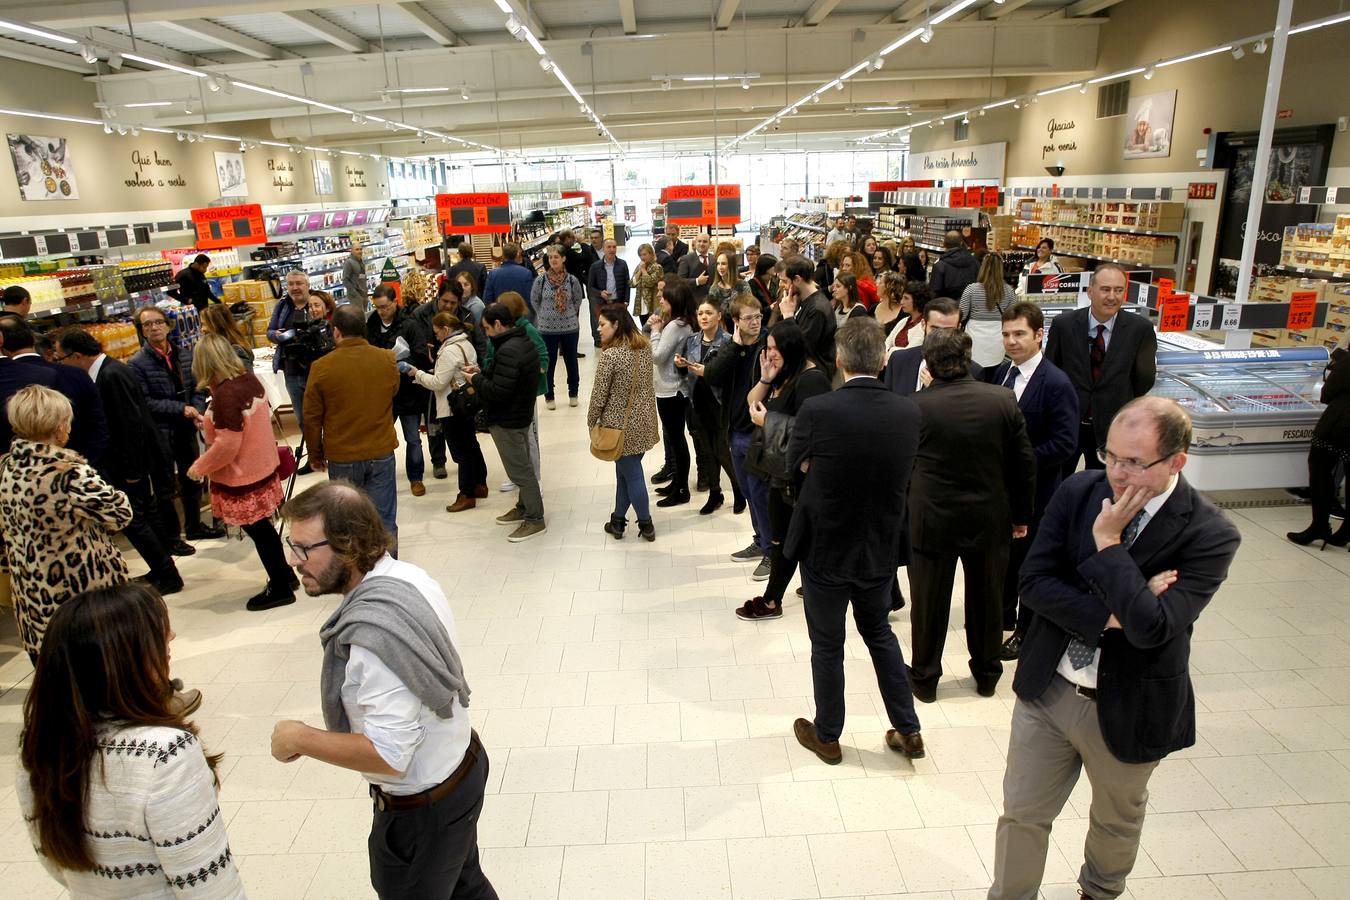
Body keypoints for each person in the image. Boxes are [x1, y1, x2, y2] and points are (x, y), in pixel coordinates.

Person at [989, 397, 1241, 900]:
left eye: (1134, 462)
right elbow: (1033, 583)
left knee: (1115, 821)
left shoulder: (1210, 533)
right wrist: (1115, 612)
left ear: (1176, 461)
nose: (1118, 474)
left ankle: (1099, 892)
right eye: (1111, 456)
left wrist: (1107, 545)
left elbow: (1152, 630)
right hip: (1051, 689)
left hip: (1132, 703)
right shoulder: (1079, 490)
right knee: (1022, 814)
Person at [270, 482, 497, 899]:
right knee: (466, 887)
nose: (292, 560)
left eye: (304, 549)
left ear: (349, 545)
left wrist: (300, 737)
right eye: (291, 544)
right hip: (462, 765)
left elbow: (391, 756)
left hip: (425, 807)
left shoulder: (375, 642)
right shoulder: (408, 576)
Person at [19, 583, 242, 897]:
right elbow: (209, 884)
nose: (172, 638)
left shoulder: (38, 747)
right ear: (129, 658)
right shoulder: (166, 754)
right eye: (160, 632)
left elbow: (54, 863)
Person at [786, 317, 925, 764]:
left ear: (840, 360)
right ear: (884, 361)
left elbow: (794, 466)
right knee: (879, 633)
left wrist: (813, 470)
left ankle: (827, 734)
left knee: (828, 644)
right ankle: (909, 728)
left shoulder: (819, 411)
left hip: (826, 547)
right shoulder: (908, 412)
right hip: (879, 545)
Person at [907, 328, 1036, 702]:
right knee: (987, 599)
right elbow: (1024, 464)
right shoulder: (1003, 399)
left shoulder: (917, 406)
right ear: (968, 359)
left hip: (931, 519)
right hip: (990, 517)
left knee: (929, 602)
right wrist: (1021, 514)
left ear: (929, 364)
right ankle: (986, 674)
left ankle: (926, 678)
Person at [0, 385, 132, 664]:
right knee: (97, 663)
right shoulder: (69, 472)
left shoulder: (6, 466)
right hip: (80, 592)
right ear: (60, 427)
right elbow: (121, 512)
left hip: (31, 590)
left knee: (55, 669)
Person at [55, 328, 183, 595]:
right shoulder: (109, 371)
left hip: (131, 462)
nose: (61, 364)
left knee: (135, 518)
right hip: (132, 460)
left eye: (62, 358)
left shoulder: (111, 374)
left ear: (77, 355)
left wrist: (132, 469)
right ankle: (162, 567)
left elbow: (129, 423)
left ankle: (167, 573)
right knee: (144, 514)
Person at [986, 303, 1080, 661]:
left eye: (1020, 334)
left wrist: (1021, 460)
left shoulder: (1055, 383)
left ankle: (1027, 632)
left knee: (1031, 565)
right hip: (1002, 493)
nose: (1011, 341)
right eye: (1007, 334)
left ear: (1039, 335)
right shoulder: (1002, 375)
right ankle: (1004, 617)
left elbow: (1065, 444)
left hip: (1037, 494)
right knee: (1006, 561)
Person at [180, 334, 296, 612]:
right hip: (261, 467)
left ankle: (280, 585)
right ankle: (285, 576)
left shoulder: (226, 394)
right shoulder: (248, 380)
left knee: (260, 532)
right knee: (264, 529)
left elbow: (228, 445)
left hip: (242, 475)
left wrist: (199, 467)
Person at [736, 320, 831, 621]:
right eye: (768, 348)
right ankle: (803, 587)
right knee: (787, 537)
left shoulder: (811, 379)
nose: (770, 354)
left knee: (787, 538)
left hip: (799, 475)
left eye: (775, 348)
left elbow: (813, 430)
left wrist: (769, 424)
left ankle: (771, 600)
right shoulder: (785, 375)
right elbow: (751, 402)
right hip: (783, 471)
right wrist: (765, 378)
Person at [1045, 263, 1157, 479]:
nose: (1112, 296)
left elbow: (1144, 379)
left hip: (1111, 427)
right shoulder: (1064, 325)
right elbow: (1052, 370)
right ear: (1090, 292)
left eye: (1118, 290)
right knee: (1057, 482)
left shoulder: (1139, 330)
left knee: (1101, 488)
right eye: (1105, 289)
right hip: (1068, 423)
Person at [303, 306, 402, 545]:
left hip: (342, 454)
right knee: (384, 519)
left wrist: (315, 453)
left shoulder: (322, 367)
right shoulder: (387, 358)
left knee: (348, 521)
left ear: (336, 331)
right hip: (380, 449)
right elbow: (393, 392)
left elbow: (311, 417)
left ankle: (356, 573)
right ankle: (388, 571)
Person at [129, 306, 226, 545]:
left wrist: (196, 410)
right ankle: (172, 537)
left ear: (168, 325)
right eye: (147, 324)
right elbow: (145, 401)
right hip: (160, 431)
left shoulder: (184, 355)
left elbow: (199, 387)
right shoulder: (137, 364)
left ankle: (194, 526)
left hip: (186, 427)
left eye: (158, 322)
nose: (154, 328)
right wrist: (181, 409)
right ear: (141, 331)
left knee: (193, 476)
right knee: (164, 486)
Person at [700, 295, 771, 573]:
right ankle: (760, 539)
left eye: (758, 317)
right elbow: (713, 374)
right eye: (749, 319)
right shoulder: (732, 346)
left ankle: (771, 550)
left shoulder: (768, 346)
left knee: (761, 494)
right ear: (736, 322)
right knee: (748, 492)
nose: (755, 323)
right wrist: (735, 346)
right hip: (735, 430)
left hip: (758, 432)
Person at [469, 303, 546, 542]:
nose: (486, 333)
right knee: (522, 466)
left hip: (507, 420)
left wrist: (475, 380)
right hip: (519, 416)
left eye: (487, 328)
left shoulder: (509, 350)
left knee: (520, 472)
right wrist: (482, 372)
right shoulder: (522, 341)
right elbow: (506, 378)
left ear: (499, 324)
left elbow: (498, 392)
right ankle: (524, 507)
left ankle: (535, 518)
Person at [0, 315, 108, 470]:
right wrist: (87, 466)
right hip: (87, 468)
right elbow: (98, 425)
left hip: (27, 476)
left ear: (3, 345)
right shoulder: (75, 374)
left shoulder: (10, 382)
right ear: (32, 338)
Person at [591, 303, 660, 541]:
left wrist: (591, 420)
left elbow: (600, 394)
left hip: (619, 426)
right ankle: (618, 521)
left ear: (616, 325)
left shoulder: (610, 355)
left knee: (632, 475)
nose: (598, 329)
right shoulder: (644, 348)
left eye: (602, 324)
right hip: (645, 421)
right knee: (624, 473)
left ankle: (646, 524)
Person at [407, 313, 488, 513]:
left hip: (453, 408)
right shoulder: (465, 344)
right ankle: (480, 484)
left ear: (446, 328)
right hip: (467, 403)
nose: (436, 337)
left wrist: (416, 373)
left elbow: (438, 383)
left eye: (437, 332)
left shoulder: (449, 351)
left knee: (461, 452)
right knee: (471, 445)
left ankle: (466, 493)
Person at [677, 297, 742, 515]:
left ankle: (739, 490)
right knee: (707, 451)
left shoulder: (728, 341)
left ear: (719, 316)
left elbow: (728, 375)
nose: (704, 317)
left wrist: (704, 370)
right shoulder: (692, 340)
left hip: (720, 403)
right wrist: (681, 365)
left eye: (708, 313)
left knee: (722, 451)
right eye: (700, 313)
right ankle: (715, 493)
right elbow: (686, 372)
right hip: (698, 401)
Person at [367, 285, 432, 497]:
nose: (381, 311)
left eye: (385, 307)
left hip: (408, 391)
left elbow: (421, 354)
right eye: (377, 308)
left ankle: (416, 478)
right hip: (383, 392)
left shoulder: (410, 324)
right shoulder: (372, 324)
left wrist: (404, 363)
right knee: (382, 439)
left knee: (412, 437)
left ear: (395, 302)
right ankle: (383, 478)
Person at [1288, 336, 1350, 547]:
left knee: (1320, 471)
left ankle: (1319, 526)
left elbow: (1326, 394)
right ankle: (1347, 532)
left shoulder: (1347, 363)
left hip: (1338, 426)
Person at [491, 291, 548, 493]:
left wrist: (532, 372)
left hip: (526, 393)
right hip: (511, 391)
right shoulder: (506, 331)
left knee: (530, 438)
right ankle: (519, 478)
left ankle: (535, 480)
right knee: (517, 440)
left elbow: (543, 355)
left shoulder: (528, 329)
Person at [649, 279, 696, 507]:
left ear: (674, 300)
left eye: (663, 296)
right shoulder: (681, 323)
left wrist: (655, 332)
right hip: (672, 388)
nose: (660, 299)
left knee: (677, 440)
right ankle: (677, 481)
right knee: (675, 438)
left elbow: (657, 357)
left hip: (671, 390)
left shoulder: (675, 326)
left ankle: (681, 488)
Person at [883, 297, 982, 395]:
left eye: (948, 331)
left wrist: (937, 390)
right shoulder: (898, 360)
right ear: (923, 324)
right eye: (935, 329)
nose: (940, 337)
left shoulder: (973, 371)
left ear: (959, 328)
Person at [531, 245, 586, 410]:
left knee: (571, 361)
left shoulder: (572, 280)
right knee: (549, 362)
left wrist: (568, 313)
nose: (553, 260)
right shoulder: (540, 281)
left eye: (556, 257)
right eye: (550, 257)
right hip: (547, 329)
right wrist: (544, 315)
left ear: (563, 259)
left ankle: (573, 393)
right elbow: (534, 300)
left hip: (570, 327)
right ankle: (549, 396)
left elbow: (577, 300)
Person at [267, 268, 321, 428]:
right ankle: (313, 451)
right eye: (291, 284)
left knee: (325, 414)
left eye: (299, 283)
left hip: (316, 368)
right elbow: (269, 331)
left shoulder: (317, 303)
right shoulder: (283, 306)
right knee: (301, 417)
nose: (295, 287)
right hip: (291, 371)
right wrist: (277, 335)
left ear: (308, 285)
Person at [778, 255, 837, 379]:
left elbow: (800, 349)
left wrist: (788, 317)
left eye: (785, 281)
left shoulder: (817, 309)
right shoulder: (805, 301)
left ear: (797, 280)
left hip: (814, 376)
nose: (781, 285)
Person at [959, 251, 1018, 368]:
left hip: (974, 339)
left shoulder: (971, 289)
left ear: (983, 267)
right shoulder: (1009, 291)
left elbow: (962, 315)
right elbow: (1013, 317)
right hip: (997, 338)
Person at [928, 230, 980, 300]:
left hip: (948, 307)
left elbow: (934, 293)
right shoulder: (975, 262)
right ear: (961, 243)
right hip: (971, 306)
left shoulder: (940, 266)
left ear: (944, 244)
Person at [587, 236, 631, 318]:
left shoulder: (622, 264)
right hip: (602, 304)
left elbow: (627, 284)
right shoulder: (595, 266)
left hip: (618, 303)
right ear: (603, 249)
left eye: (614, 247)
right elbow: (590, 287)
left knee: (619, 327)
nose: (612, 249)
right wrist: (600, 293)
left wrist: (626, 301)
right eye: (609, 247)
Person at [482, 241, 535, 307]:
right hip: (520, 314)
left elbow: (487, 299)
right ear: (516, 254)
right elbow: (530, 299)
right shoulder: (526, 273)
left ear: (503, 255)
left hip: (500, 314)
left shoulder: (493, 274)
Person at [707, 250, 749, 314]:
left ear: (731, 266)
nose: (720, 267)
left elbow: (749, 307)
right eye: (718, 264)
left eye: (723, 264)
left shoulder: (743, 285)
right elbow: (713, 312)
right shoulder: (714, 288)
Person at [632, 242, 665, 319]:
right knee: (643, 326)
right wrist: (640, 270)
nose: (642, 257)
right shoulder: (639, 266)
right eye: (640, 255)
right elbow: (632, 283)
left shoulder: (657, 267)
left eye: (644, 254)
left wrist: (643, 270)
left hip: (652, 303)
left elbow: (649, 283)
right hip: (640, 303)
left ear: (651, 254)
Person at [873, 271, 908, 337]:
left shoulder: (904, 313)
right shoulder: (873, 308)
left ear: (889, 287)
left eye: (880, 283)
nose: (877, 285)